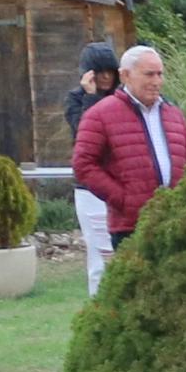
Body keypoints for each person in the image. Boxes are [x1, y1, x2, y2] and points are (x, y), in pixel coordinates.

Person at [69, 44, 186, 294]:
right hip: (130, 225)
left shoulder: (173, 113)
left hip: (175, 223)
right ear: (125, 75)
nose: (157, 81)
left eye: (160, 74)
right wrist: (124, 199)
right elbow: (83, 165)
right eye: (149, 74)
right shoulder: (99, 114)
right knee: (137, 299)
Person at [61, 39, 125, 280]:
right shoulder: (76, 100)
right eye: (100, 72)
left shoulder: (123, 98)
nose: (106, 77)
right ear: (89, 74)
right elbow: (86, 134)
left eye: (110, 71)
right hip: (89, 188)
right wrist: (90, 96)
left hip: (120, 184)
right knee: (99, 259)